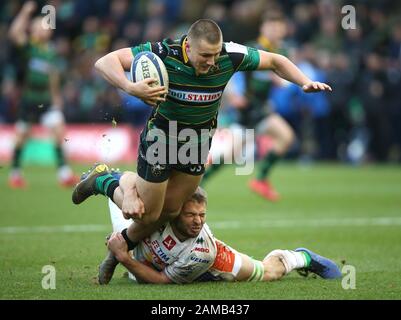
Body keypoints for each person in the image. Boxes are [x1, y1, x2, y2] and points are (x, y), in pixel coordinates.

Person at [74, 19, 332, 284]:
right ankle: (102, 180)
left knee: (171, 210)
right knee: (147, 213)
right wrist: (130, 87)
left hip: (196, 145)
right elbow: (105, 62)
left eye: (215, 54)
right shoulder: (165, 52)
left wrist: (304, 81)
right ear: (188, 45)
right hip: (161, 139)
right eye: (205, 55)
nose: (211, 61)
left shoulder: (230, 55)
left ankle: (117, 249)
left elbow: (277, 61)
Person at [104, 170, 342, 284]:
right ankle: (100, 180)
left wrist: (124, 258)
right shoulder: (163, 209)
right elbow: (129, 179)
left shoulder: (203, 251)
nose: (198, 221)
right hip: (158, 252)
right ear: (175, 213)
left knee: (267, 272)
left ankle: (301, 258)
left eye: (202, 215)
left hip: (210, 265)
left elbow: (162, 282)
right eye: (190, 215)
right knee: (130, 204)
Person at [202, 15, 297, 202]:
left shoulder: (282, 51)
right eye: (272, 27)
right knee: (232, 154)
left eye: (279, 28)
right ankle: (200, 180)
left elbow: (284, 81)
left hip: (260, 109)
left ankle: (259, 179)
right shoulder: (253, 48)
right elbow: (225, 69)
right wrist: (233, 95)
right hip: (247, 109)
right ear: (263, 28)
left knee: (283, 137)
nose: (275, 32)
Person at [7, 1, 79, 188]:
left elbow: (53, 76)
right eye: (40, 27)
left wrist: (56, 97)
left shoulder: (50, 52)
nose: (44, 30)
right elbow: (14, 33)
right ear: (32, 30)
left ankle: (64, 174)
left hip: (46, 100)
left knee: (58, 131)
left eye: (46, 27)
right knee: (22, 136)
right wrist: (24, 12)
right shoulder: (29, 47)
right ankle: (15, 173)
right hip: (30, 100)